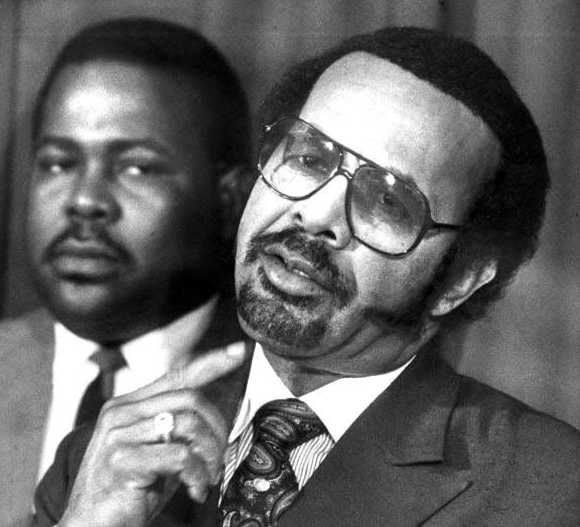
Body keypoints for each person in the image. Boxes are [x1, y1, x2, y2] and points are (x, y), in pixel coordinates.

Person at [33, 27, 580, 527]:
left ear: (461, 279)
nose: (316, 215)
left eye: (387, 201)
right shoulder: (104, 455)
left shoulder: (545, 490)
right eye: (307, 158)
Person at [0, 18, 252, 527]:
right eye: (59, 163)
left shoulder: (280, 401)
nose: (84, 201)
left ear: (232, 200)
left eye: (137, 167)